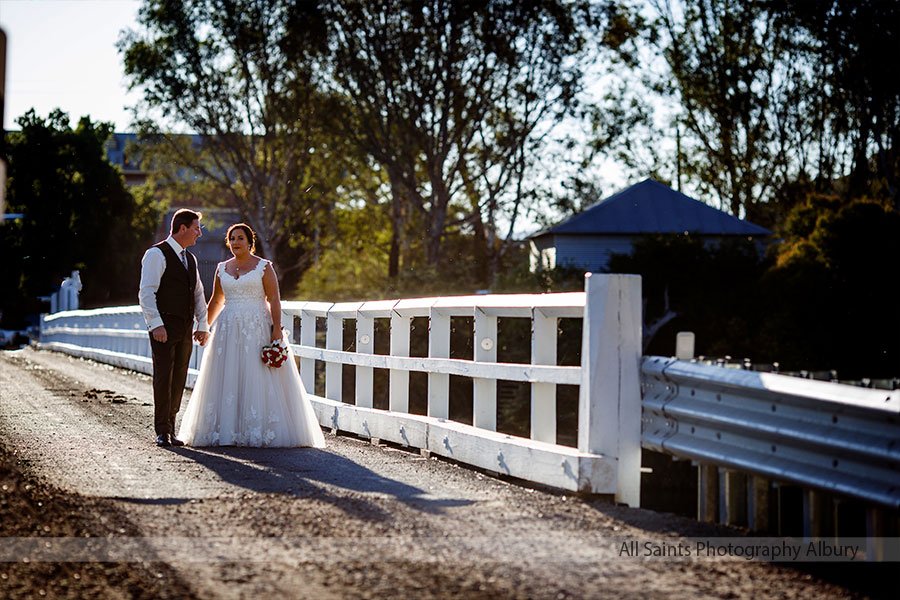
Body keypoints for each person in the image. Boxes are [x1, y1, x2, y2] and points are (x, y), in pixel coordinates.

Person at [177, 223, 325, 448]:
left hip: (257, 327)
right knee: (228, 374)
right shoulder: (222, 268)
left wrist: (277, 328)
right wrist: (204, 325)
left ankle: (259, 428)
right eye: (232, 238)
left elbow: (274, 299)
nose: (235, 242)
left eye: (240, 238)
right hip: (228, 329)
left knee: (256, 374)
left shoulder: (264, 267)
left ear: (249, 242)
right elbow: (216, 300)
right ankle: (229, 428)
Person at [139, 209, 210, 447]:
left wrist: (202, 324)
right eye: (196, 228)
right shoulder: (156, 254)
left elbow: (198, 294)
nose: (199, 233)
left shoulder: (191, 259)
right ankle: (162, 430)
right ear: (182, 228)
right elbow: (146, 293)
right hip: (164, 327)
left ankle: (171, 427)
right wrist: (156, 324)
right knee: (163, 377)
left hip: (185, 327)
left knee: (179, 377)